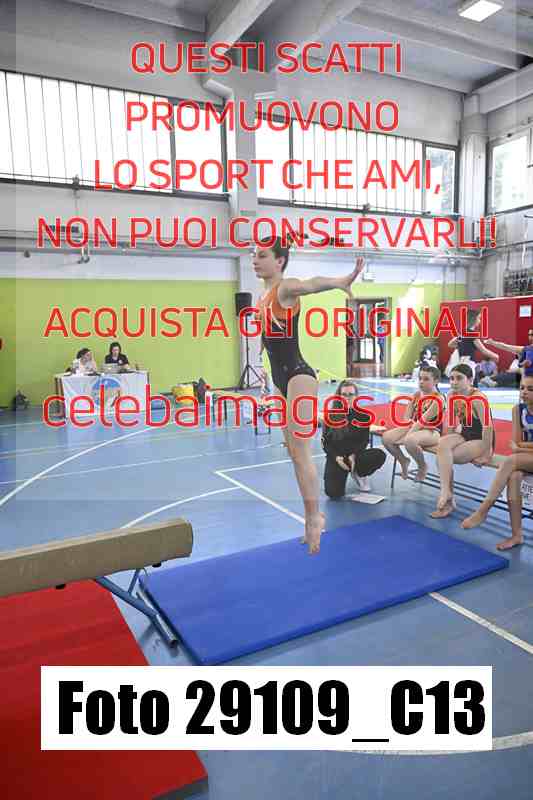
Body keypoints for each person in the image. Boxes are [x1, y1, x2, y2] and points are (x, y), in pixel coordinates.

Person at [254, 240, 365, 554]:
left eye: (262, 256)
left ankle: (315, 517)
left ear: (280, 261)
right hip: (279, 379)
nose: (255, 260)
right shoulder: (263, 296)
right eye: (254, 255)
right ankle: (310, 518)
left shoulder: (285, 287)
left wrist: (340, 281)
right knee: (293, 451)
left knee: (301, 452)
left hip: (298, 375)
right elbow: (269, 335)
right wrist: (262, 357)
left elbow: (312, 284)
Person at [461, 374, 533, 550]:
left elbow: (517, 447)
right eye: (522, 388)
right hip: (526, 457)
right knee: (514, 477)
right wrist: (521, 448)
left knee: (510, 461)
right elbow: (515, 443)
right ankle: (517, 535)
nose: (524, 392)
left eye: (530, 389)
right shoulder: (518, 410)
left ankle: (483, 510)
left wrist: (521, 448)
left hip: (522, 456)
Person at [430, 364, 495, 518]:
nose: (454, 382)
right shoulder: (452, 395)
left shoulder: (478, 398)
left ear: (470, 380)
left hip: (481, 439)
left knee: (445, 458)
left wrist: (487, 453)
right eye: (451, 378)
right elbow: (452, 423)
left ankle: (448, 499)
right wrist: (447, 442)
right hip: (465, 434)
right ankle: (446, 492)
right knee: (442, 448)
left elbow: (488, 427)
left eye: (459, 378)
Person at [321, 379, 386, 497]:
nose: (347, 398)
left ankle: (358, 473)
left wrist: (354, 455)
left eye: (351, 394)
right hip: (337, 458)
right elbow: (326, 443)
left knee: (379, 455)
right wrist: (337, 458)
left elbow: (364, 441)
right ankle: (345, 471)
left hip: (355, 457)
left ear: (356, 396)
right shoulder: (330, 416)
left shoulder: (364, 416)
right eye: (344, 395)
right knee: (333, 493)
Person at [382, 366, 444, 482]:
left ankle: (422, 466)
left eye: (426, 379)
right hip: (416, 427)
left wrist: (406, 436)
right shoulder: (416, 395)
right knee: (386, 438)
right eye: (420, 378)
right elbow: (407, 417)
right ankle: (403, 460)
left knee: (409, 441)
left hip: (433, 431)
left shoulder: (438, 399)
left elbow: (422, 421)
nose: (421, 382)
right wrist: (408, 425)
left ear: (436, 381)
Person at [447, 308, 499, 381]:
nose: (480, 321)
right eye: (479, 318)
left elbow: (450, 344)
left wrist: (462, 346)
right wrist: (495, 356)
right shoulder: (472, 334)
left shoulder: (463, 332)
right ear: (474, 319)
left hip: (460, 363)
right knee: (471, 385)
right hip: (469, 364)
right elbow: (483, 350)